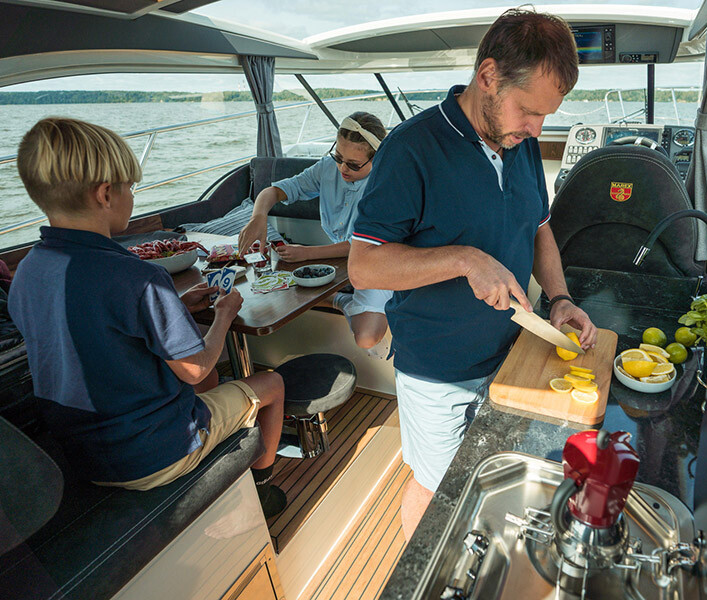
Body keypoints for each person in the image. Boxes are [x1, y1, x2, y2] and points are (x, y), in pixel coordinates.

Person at [348, 8, 599, 538]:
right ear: (488, 76)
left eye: (545, 116)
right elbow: (364, 266)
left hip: (512, 356)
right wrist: (464, 259)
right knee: (438, 490)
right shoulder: (410, 149)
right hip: (438, 370)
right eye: (528, 110)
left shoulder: (520, 142)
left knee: (492, 482)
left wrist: (559, 298)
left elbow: (539, 227)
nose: (536, 129)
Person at [8, 118, 287, 519]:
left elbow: (89, 330)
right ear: (106, 193)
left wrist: (178, 307)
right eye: (130, 188)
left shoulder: (27, 272)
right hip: (153, 454)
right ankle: (264, 492)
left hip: (80, 456)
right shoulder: (138, 277)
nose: (131, 196)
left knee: (209, 381)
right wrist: (224, 315)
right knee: (272, 383)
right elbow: (195, 368)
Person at [238, 112, 392, 356]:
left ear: (377, 158)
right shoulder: (327, 169)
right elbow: (273, 192)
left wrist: (307, 254)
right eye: (338, 157)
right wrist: (258, 217)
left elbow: (365, 244)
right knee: (271, 288)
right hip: (340, 262)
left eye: (353, 164)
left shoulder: (387, 184)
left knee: (366, 336)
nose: (342, 168)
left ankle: (339, 300)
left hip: (378, 261)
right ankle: (338, 297)